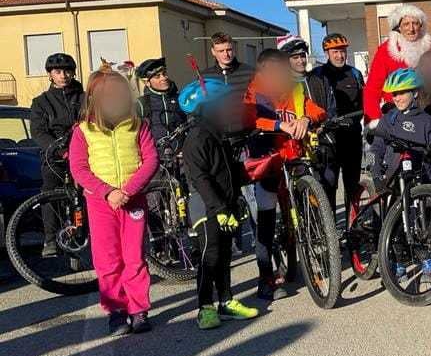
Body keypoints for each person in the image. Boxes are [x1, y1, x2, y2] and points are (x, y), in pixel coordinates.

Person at [68, 66, 158, 336]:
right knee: (108, 259)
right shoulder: (83, 131)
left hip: (133, 201)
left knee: (134, 257)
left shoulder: (138, 126)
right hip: (100, 203)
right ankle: (116, 310)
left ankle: (138, 309)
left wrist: (129, 190)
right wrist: (108, 192)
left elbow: (151, 159)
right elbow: (79, 168)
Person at [243, 49, 328, 301]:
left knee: (305, 206)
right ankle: (265, 277)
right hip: (267, 160)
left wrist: (304, 117)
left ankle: (312, 255)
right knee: (265, 216)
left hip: (293, 157)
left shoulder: (295, 89)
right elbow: (249, 118)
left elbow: (317, 110)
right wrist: (280, 125)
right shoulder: (254, 91)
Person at [179, 79, 259, 329]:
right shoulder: (197, 137)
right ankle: (205, 307)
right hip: (207, 207)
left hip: (225, 203)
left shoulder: (218, 133)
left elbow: (226, 170)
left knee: (224, 256)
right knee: (209, 257)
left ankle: (226, 301)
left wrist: (251, 172)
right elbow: (200, 178)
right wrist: (220, 209)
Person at [29, 52, 85, 257]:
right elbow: (38, 132)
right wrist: (58, 150)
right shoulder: (41, 102)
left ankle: (89, 230)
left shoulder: (85, 97)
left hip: (84, 153)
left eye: (68, 71)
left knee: (90, 192)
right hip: (55, 156)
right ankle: (50, 239)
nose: (63, 75)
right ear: (50, 75)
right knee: (49, 192)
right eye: (58, 71)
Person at [308, 33, 364, 213]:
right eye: (335, 52)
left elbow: (364, 102)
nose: (340, 55)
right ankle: (331, 231)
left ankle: (352, 228)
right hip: (328, 140)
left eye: (343, 51)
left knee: (352, 186)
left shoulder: (355, 74)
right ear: (326, 53)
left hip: (352, 137)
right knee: (328, 186)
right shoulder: (317, 75)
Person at [371, 69, 431, 187]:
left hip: (421, 176)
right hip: (394, 177)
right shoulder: (388, 119)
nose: (397, 98)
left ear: (415, 93)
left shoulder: (426, 120)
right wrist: (376, 175)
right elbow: (376, 149)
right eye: (394, 94)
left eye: (402, 93)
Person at [363, 4, 431, 126]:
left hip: (427, 112)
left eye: (415, 23)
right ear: (399, 28)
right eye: (406, 24)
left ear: (421, 26)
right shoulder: (386, 51)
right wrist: (374, 119)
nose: (411, 29)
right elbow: (372, 89)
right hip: (396, 113)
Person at [135, 57, 187, 152]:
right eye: (157, 76)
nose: (164, 78)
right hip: (155, 158)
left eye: (164, 74)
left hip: (181, 156)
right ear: (147, 82)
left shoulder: (181, 98)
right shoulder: (141, 104)